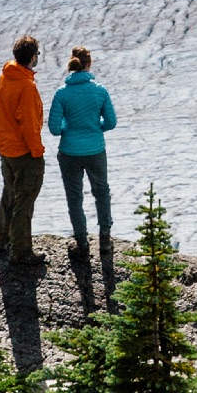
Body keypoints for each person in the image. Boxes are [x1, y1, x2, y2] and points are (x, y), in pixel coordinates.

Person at [46, 45, 118, 260]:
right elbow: (111, 122)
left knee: (74, 196)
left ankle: (82, 243)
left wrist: (71, 130)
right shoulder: (99, 90)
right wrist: (95, 129)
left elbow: (54, 128)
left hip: (69, 152)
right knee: (101, 191)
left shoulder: (62, 94)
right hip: (95, 149)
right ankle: (105, 238)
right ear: (89, 64)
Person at [0, 35, 47, 267]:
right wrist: (37, 152)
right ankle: (21, 251)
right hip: (24, 152)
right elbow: (30, 125)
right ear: (32, 57)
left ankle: (2, 241)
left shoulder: (5, 76)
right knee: (24, 201)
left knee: (9, 194)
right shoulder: (27, 86)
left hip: (6, 148)